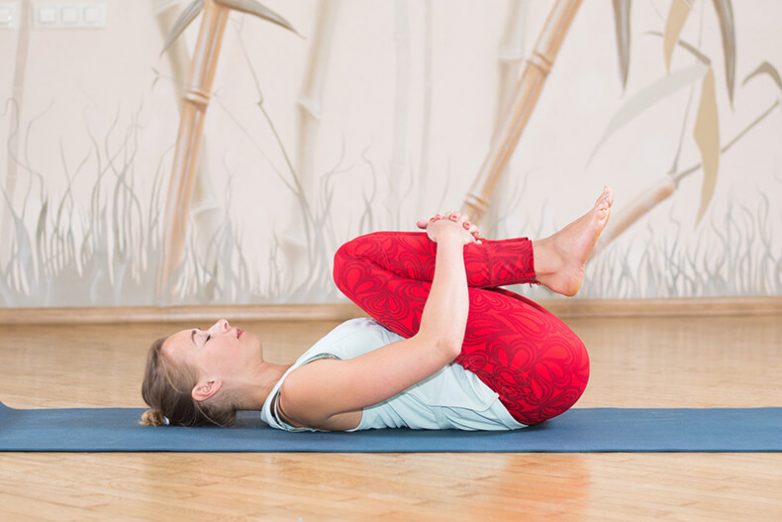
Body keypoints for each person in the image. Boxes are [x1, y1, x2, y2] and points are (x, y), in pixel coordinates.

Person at [141, 187, 614, 431]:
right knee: (353, 263)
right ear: (207, 387)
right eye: (204, 337)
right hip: (526, 379)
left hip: (524, 365)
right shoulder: (299, 395)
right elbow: (440, 344)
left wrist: (446, 251)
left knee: (364, 265)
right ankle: (546, 258)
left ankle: (548, 260)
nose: (220, 324)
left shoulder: (303, 372)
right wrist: (450, 243)